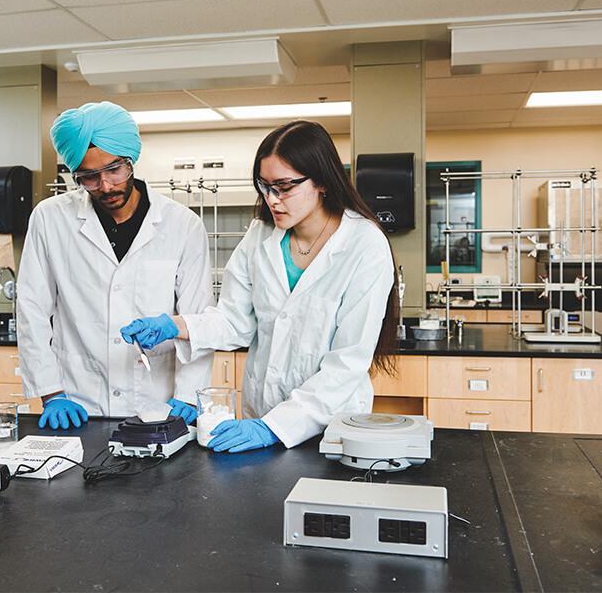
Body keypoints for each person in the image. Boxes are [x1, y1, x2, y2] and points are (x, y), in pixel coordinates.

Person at [122, 120, 399, 452]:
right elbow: (235, 321)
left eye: (284, 187)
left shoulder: (364, 245)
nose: (272, 200)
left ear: (323, 181)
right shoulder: (261, 237)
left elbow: (348, 362)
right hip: (259, 416)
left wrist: (276, 426)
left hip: (330, 428)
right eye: (264, 187)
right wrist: (174, 325)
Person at [17, 101, 213, 430]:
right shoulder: (50, 219)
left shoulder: (182, 225)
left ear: (131, 160)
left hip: (158, 406)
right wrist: (51, 392)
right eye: (89, 177)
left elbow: (197, 319)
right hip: (79, 406)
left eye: (114, 170)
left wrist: (189, 394)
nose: (105, 186)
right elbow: (32, 308)